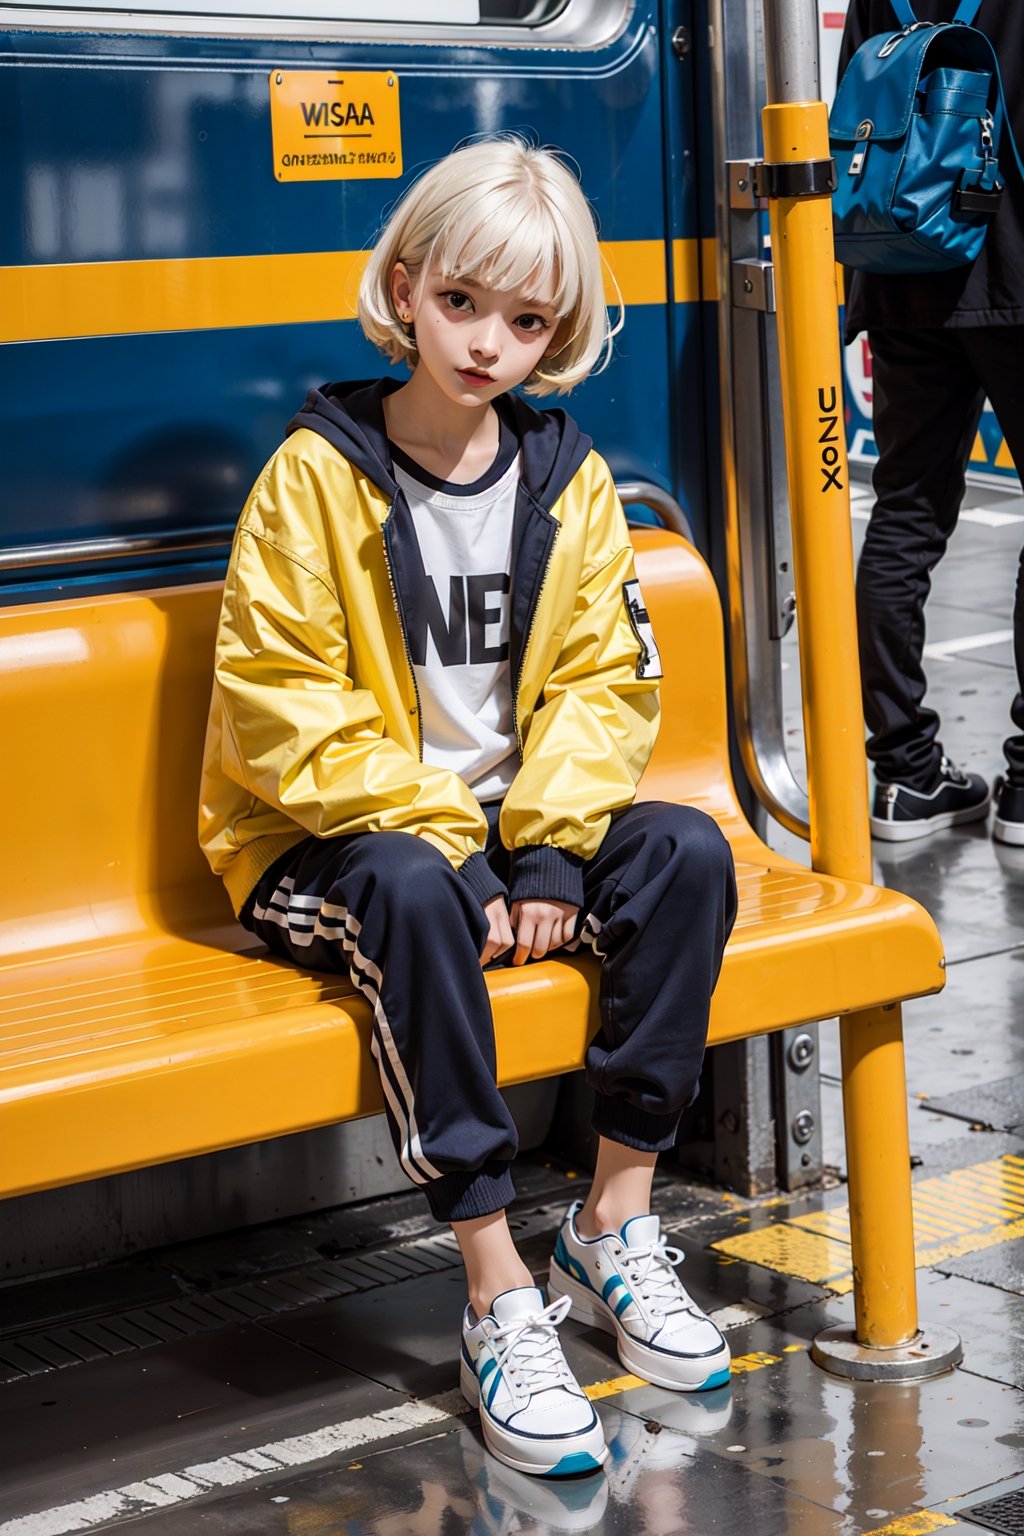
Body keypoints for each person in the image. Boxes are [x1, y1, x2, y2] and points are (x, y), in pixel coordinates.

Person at [199, 136, 736, 1478]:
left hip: (499, 839)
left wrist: (548, 854)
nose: (488, 343)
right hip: (325, 847)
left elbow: (604, 684)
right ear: (404, 285)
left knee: (683, 852)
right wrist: (462, 848)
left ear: (561, 332)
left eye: (527, 318)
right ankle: (498, 1289)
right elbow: (279, 709)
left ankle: (613, 1223)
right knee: (411, 885)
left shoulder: (567, 479)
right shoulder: (315, 479)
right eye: (460, 303)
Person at [839, 0, 1024, 844]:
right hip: (1014, 269)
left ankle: (906, 777)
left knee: (906, 511)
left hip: (903, 267)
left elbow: (855, 114)